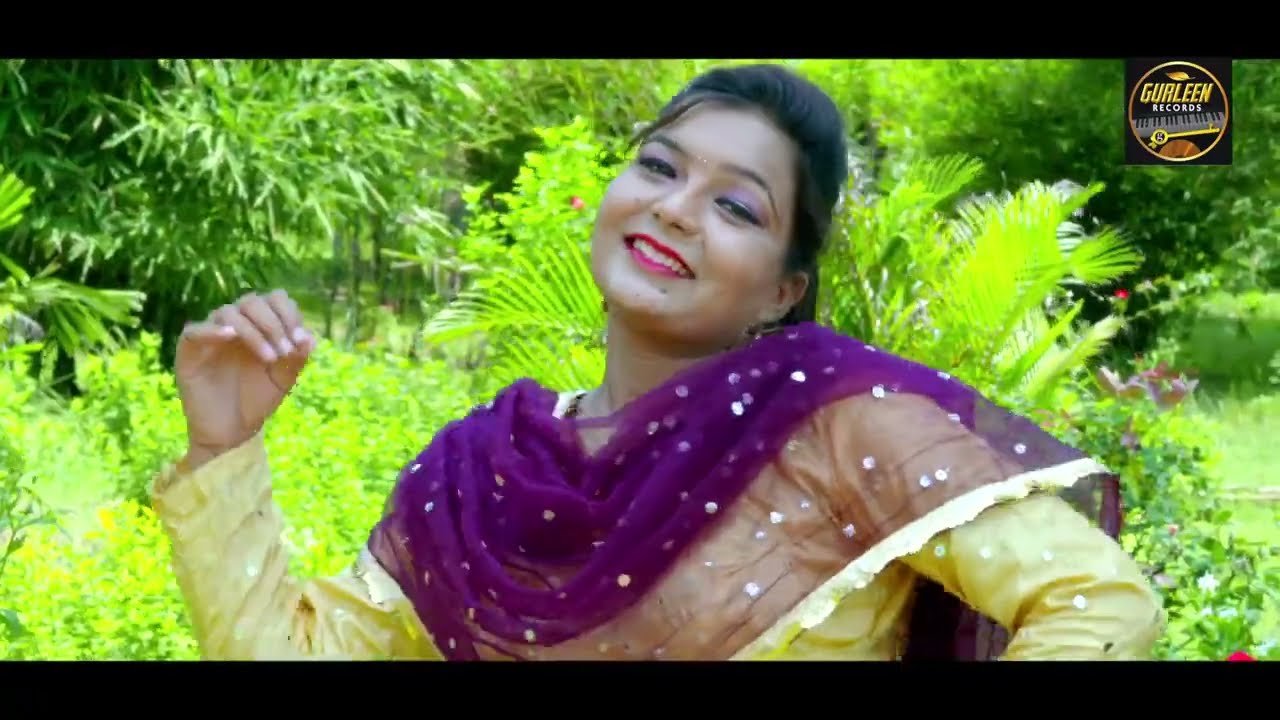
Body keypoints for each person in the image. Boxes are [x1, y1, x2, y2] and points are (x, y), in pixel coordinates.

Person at [152, 63, 1165, 661]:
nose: (676, 209)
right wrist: (221, 449)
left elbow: (1098, 603)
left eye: (736, 207)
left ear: (782, 289)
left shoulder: (842, 422)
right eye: (658, 166)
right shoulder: (486, 468)